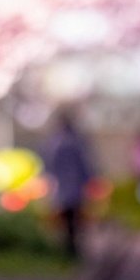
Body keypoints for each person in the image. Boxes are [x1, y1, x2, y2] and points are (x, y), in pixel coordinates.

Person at [44, 110, 95, 259]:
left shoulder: (54, 143)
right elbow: (86, 165)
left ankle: (67, 249)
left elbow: (49, 165)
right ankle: (73, 249)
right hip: (76, 187)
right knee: (75, 220)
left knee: (64, 220)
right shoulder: (77, 142)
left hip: (61, 187)